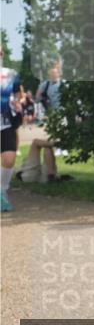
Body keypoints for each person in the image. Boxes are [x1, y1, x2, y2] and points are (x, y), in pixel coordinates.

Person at [1, 46, 25, 212]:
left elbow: (20, 94)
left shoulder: (10, 74)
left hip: (5, 122)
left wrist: (19, 102)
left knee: (9, 159)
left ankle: (2, 190)